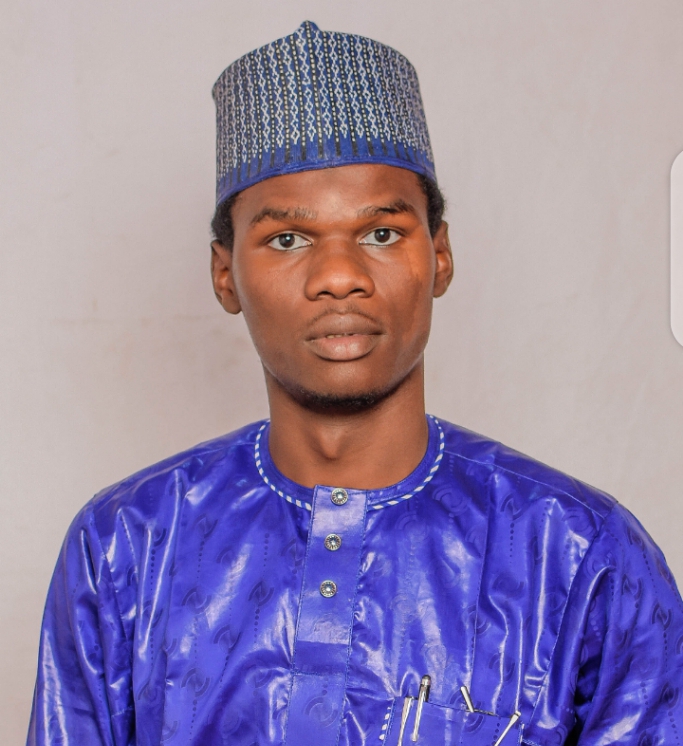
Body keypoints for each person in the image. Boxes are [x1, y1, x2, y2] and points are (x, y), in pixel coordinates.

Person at [28, 20, 683, 746]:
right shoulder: (126, 546)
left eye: (380, 233)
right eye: (287, 239)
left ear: (439, 256)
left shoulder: (580, 554)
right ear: (225, 275)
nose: (339, 276)